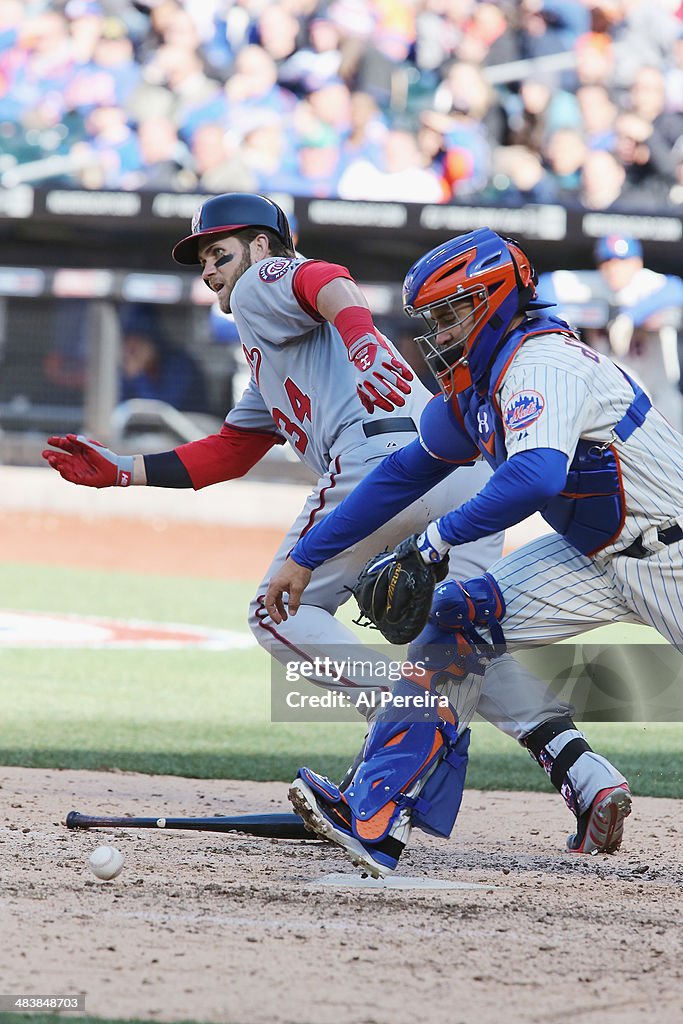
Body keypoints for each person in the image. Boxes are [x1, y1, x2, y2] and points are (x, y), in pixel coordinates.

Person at [43, 198, 626, 871]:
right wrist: (124, 472)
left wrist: (356, 336)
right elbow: (231, 450)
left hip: (382, 468)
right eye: (203, 259)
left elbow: (325, 278)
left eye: (218, 252)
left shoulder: (267, 283)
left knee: (277, 612)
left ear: (262, 247)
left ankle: (405, 729)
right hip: (457, 474)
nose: (208, 270)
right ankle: (582, 771)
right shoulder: (275, 345)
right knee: (457, 643)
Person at [262, 227, 683, 876]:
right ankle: (374, 816)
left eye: (449, 312)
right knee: (454, 618)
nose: (438, 330)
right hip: (591, 556)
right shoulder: (476, 388)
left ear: (492, 300)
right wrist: (306, 556)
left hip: (670, 552)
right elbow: (402, 474)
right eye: (432, 317)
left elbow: (535, 476)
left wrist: (434, 539)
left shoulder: (540, 364)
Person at [592, 235, 683, 431]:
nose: (615, 269)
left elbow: (677, 289)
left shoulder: (649, 284)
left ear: (637, 263)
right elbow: (547, 285)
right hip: (615, 397)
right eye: (608, 261)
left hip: (659, 397)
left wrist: (631, 316)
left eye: (623, 261)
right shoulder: (593, 284)